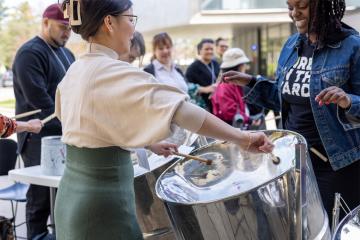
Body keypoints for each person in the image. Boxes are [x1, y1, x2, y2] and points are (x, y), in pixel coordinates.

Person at [54, 0, 273, 239]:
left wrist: (149, 144)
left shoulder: (76, 70)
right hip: (101, 206)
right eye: (130, 19)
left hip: (70, 199)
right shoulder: (112, 71)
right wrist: (242, 137)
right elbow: (184, 111)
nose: (133, 29)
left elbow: (90, 127)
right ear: (109, 22)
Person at [222, 0, 360, 221]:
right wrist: (250, 82)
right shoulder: (290, 46)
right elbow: (284, 98)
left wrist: (347, 100)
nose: (294, 13)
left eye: (302, 6)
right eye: (290, 7)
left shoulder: (352, 46)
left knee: (334, 228)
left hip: (336, 164)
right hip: (295, 161)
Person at [12, 3, 75, 238]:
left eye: (70, 28)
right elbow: (41, 103)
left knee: (62, 198)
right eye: (62, 27)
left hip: (64, 134)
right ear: (45, 22)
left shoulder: (67, 54)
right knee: (40, 199)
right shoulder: (30, 53)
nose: (67, 33)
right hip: (37, 137)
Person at [212, 48, 265, 129]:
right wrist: (250, 120)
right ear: (240, 66)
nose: (246, 68)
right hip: (229, 129)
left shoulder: (233, 82)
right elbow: (229, 112)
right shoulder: (226, 85)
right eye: (244, 65)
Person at [186, 38, 220, 112]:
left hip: (217, 103)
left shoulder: (216, 64)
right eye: (207, 49)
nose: (210, 51)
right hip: (201, 105)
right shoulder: (193, 67)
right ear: (200, 51)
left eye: (211, 49)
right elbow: (187, 86)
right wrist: (205, 89)